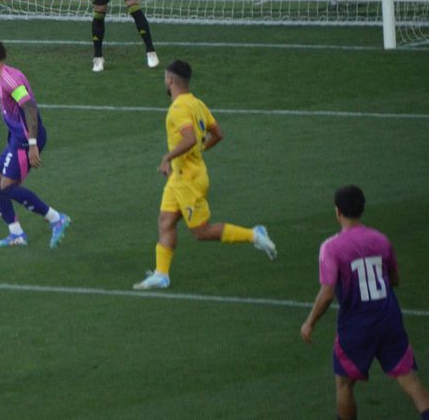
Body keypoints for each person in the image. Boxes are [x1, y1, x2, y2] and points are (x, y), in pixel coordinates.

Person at [133, 59, 276, 290]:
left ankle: (254, 235)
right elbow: (218, 134)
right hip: (180, 177)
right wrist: (199, 150)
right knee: (165, 221)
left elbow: (189, 138)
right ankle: (161, 274)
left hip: (189, 179)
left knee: (201, 232)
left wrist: (167, 157)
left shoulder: (178, 109)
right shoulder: (197, 104)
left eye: (164, 78)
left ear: (170, 79)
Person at [301, 185, 429, 420]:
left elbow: (327, 293)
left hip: (357, 326)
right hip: (389, 319)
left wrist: (309, 322)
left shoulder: (332, 247)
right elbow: (394, 280)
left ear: (337, 211)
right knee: (410, 381)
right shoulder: (381, 239)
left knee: (344, 384)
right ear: (362, 209)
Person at [0, 36, 70, 248]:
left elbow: (30, 108)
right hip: (18, 138)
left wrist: (33, 143)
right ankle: (16, 234)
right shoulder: (2, 77)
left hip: (26, 140)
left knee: (7, 186)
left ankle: (56, 218)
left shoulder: (9, 80)